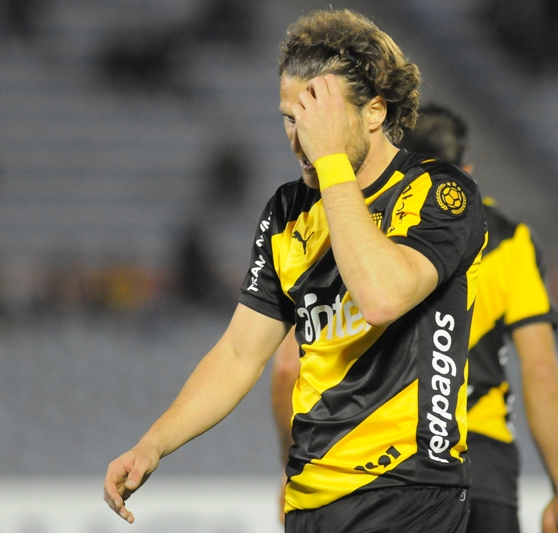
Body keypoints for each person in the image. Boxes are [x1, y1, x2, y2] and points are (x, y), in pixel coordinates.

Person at [104, 10, 488, 533]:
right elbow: (240, 352)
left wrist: (330, 161)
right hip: (309, 502)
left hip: (410, 492)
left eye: (314, 119)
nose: (298, 139)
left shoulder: (440, 193)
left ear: (374, 112)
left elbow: (381, 297)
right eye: (290, 119)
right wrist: (153, 443)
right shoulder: (289, 211)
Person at [271, 104, 558, 533]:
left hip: (386, 463)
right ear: (468, 169)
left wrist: (297, 468)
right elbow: (542, 372)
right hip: (481, 464)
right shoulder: (511, 241)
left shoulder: (354, 234)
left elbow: (288, 367)